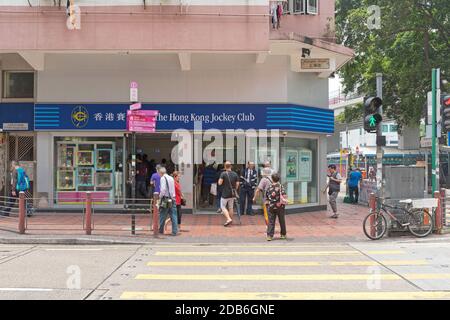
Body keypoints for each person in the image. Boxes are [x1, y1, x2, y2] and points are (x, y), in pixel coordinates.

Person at [265, 173, 287, 241]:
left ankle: (269, 236)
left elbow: (266, 196)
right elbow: (284, 195)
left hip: (271, 206)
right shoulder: (280, 186)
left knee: (271, 221)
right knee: (281, 220)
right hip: (280, 206)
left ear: (272, 179)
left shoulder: (269, 187)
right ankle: (283, 234)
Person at [218, 161, 239, 227]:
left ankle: (228, 218)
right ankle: (231, 220)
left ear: (224, 166)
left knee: (223, 206)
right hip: (232, 194)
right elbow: (237, 184)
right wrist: (235, 189)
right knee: (231, 207)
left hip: (225, 193)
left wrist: (220, 180)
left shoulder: (223, 174)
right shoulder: (235, 174)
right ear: (231, 166)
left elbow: (220, 183)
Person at [158, 167, 178, 236]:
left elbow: (163, 190)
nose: (159, 175)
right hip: (172, 199)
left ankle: (160, 230)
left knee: (162, 215)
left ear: (161, 173)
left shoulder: (163, 178)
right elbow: (172, 190)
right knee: (174, 215)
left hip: (166, 199)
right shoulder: (171, 178)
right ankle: (175, 231)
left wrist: (159, 197)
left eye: (159, 173)